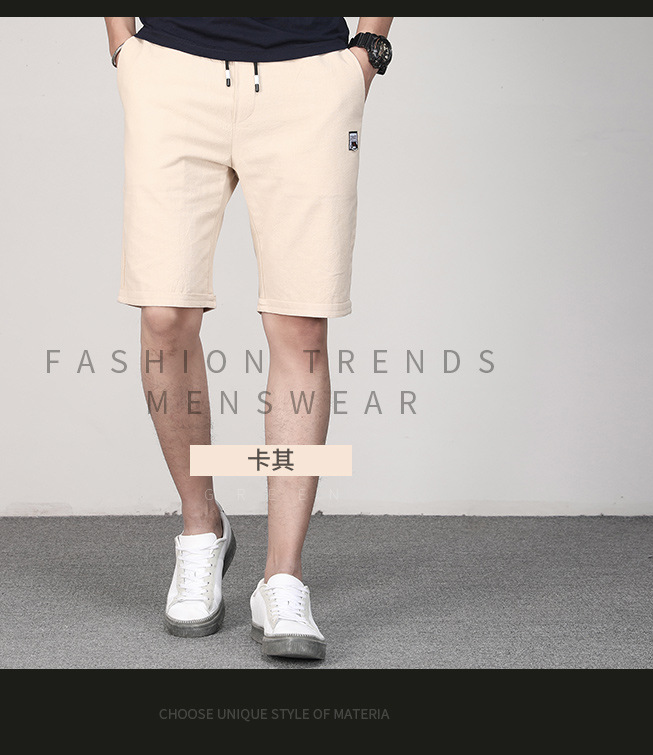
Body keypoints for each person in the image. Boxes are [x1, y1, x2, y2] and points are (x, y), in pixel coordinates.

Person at [103, 16, 394, 661]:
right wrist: (123, 45)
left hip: (309, 79)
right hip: (172, 71)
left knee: (300, 323)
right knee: (164, 314)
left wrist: (367, 52)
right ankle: (201, 527)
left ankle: (282, 577)